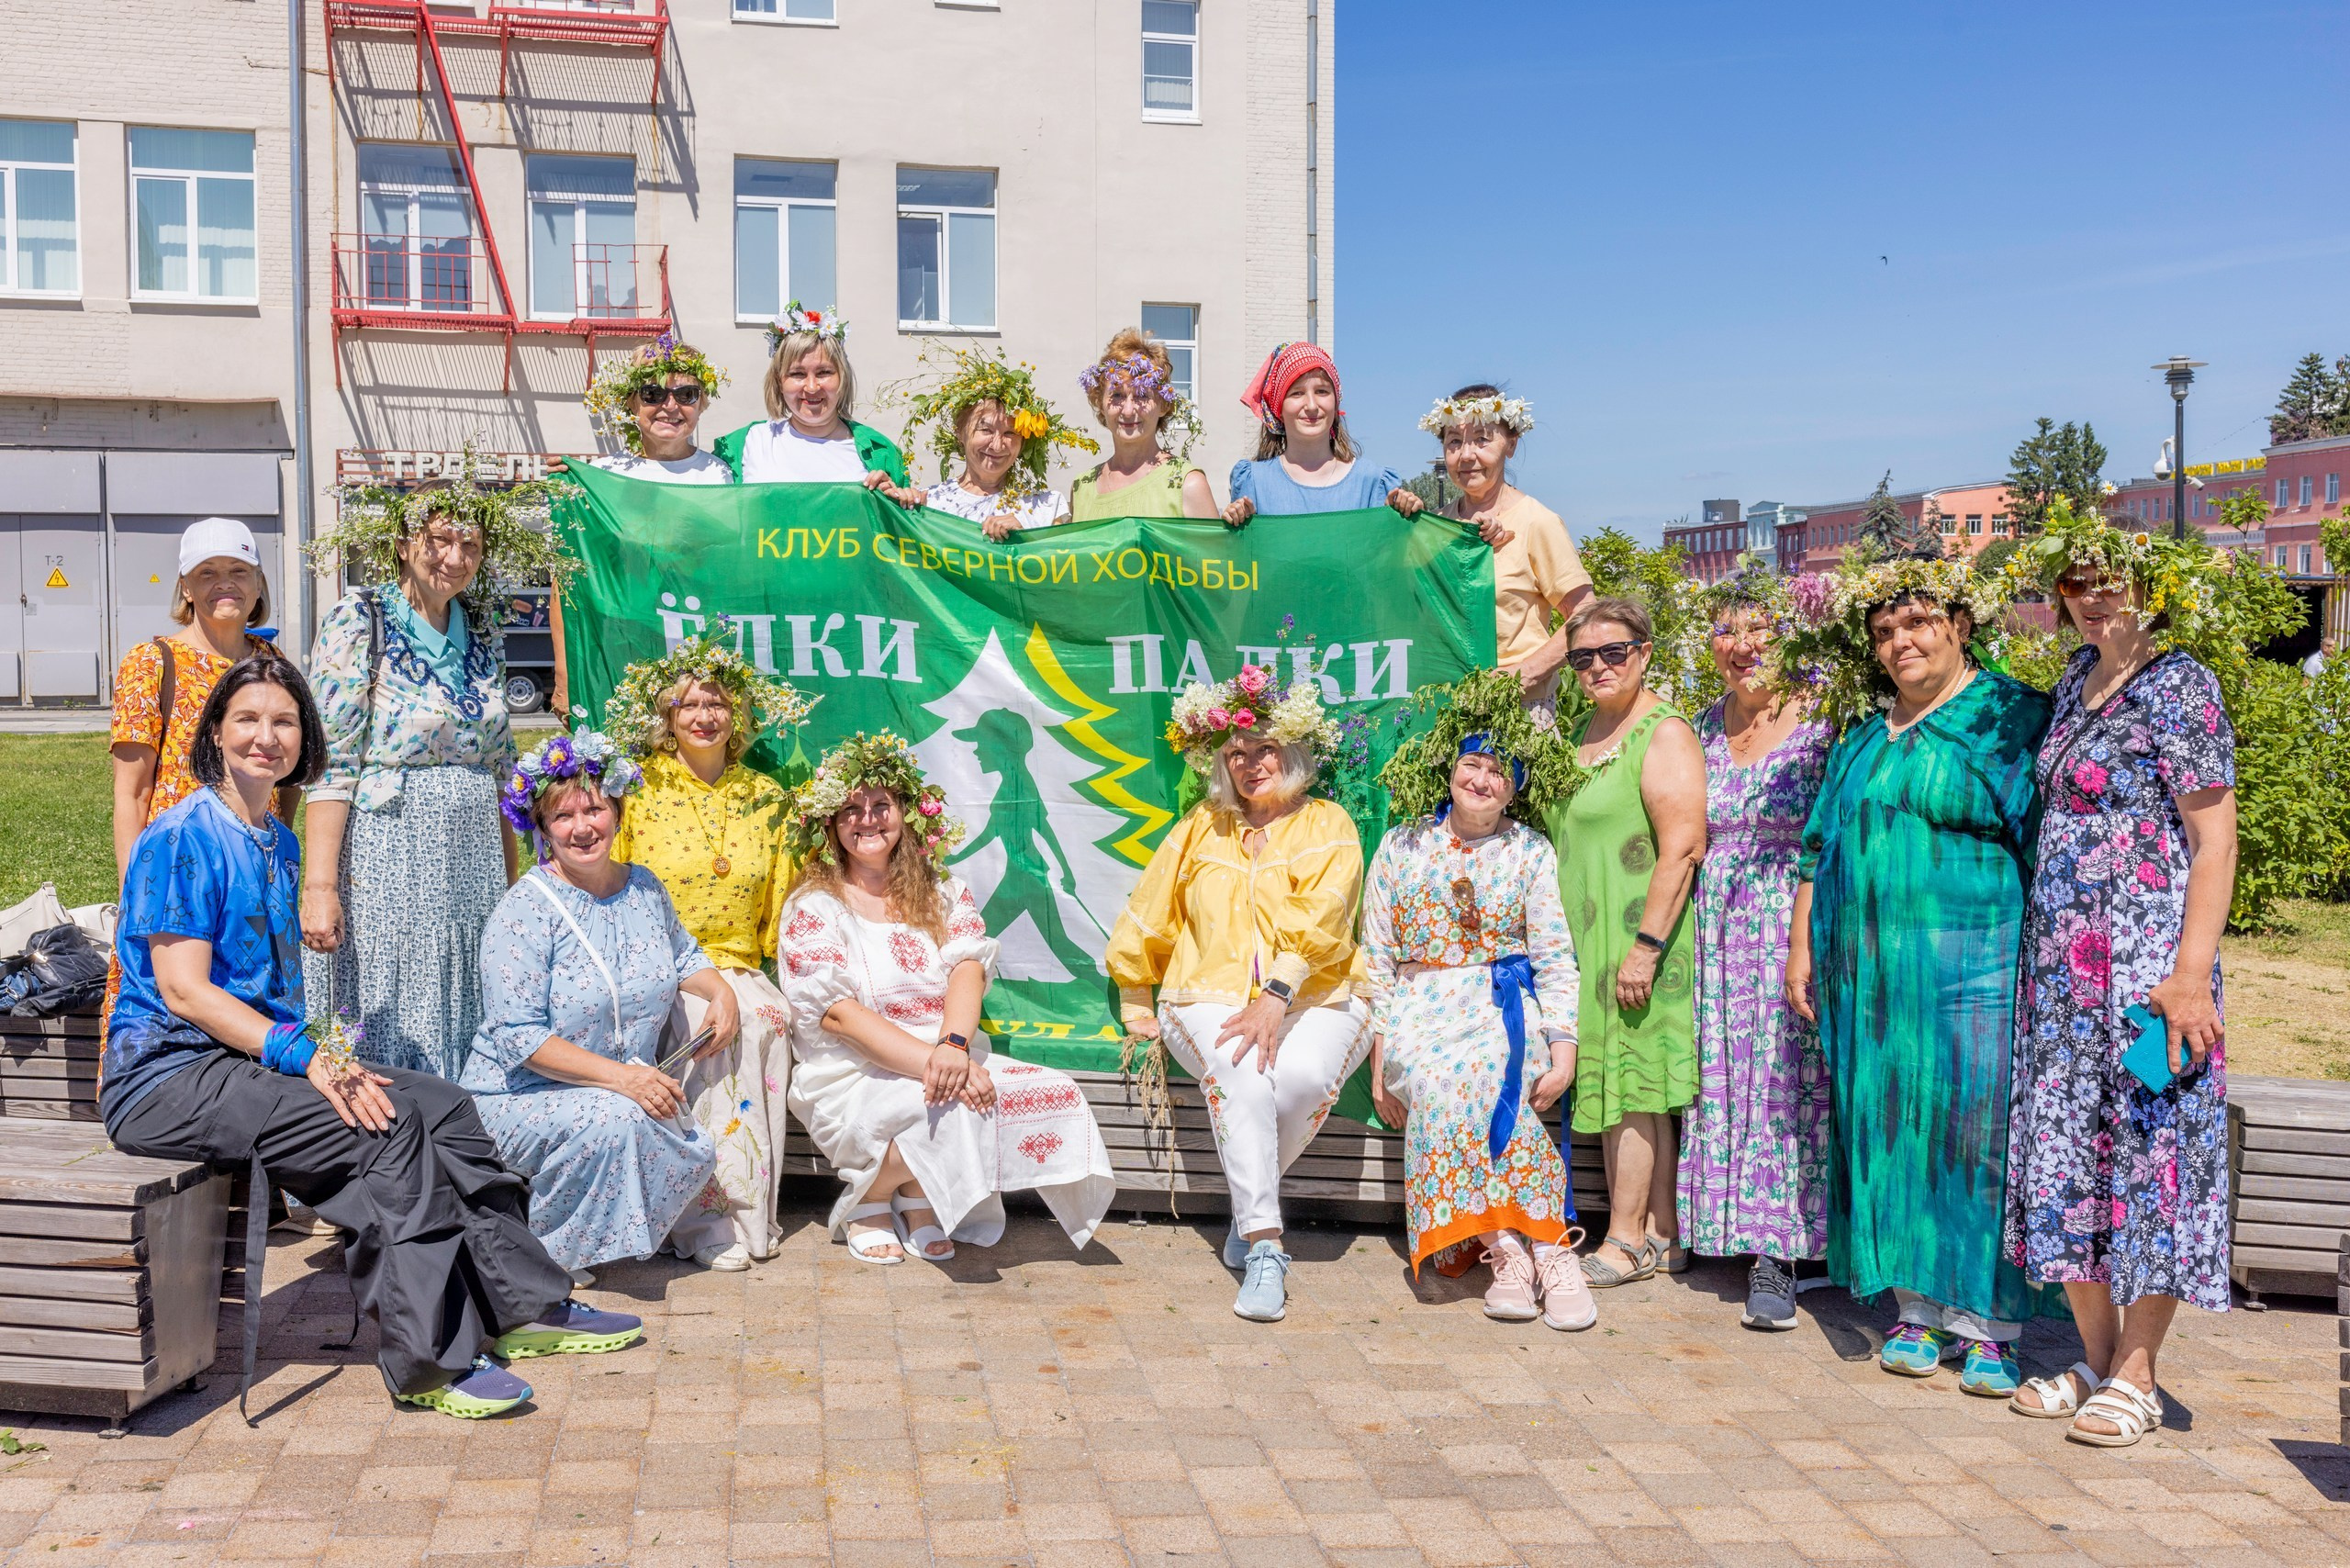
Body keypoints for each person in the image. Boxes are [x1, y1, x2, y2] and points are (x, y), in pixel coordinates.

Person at [105, 655, 640, 1423]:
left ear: (304, 736)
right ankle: (431, 1360)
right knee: (385, 1130)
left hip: (249, 1058)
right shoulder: (182, 836)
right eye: (248, 720)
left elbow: (271, 994)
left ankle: (524, 1305)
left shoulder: (277, 844)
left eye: (284, 721)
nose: (267, 737)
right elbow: (188, 993)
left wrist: (326, 1054)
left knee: (445, 1105)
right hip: (165, 1075)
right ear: (215, 733)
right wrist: (308, 1058)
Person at [1782, 554, 2055, 1398]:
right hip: (1869, 978)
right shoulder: (1865, 736)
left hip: (1976, 969)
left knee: (1974, 1135)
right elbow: (1816, 848)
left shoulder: (2010, 717)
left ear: (1961, 626)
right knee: (1887, 1124)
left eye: (1918, 622)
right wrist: (1801, 948)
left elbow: (2045, 846)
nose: (1901, 641)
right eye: (1885, 630)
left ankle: (1989, 1324)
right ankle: (1914, 1308)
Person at [2003, 514, 2240, 1446]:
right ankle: (2095, 1358)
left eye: (2109, 579)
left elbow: (2212, 840)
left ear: (2151, 585)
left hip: (2146, 969)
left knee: (2151, 1156)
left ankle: (2140, 1373)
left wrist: (2189, 977)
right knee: (2068, 1155)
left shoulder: (2180, 686)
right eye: (2074, 583)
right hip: (2063, 981)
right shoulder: (2074, 680)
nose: (2092, 597)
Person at [778, 733, 1114, 1263]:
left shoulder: (941, 892)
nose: (868, 819)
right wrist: (937, 1065)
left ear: (906, 816)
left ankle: (915, 1193)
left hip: (944, 1049)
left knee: (1055, 1089)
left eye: (882, 806)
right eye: (851, 809)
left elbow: (968, 969)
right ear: (830, 824)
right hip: (853, 1068)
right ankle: (870, 1198)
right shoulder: (814, 905)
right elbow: (839, 1017)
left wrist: (954, 1046)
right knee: (949, 1102)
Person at [1106, 666, 1368, 1322]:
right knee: (1246, 1075)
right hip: (1205, 989)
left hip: (1320, 992)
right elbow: (1150, 909)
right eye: (1237, 754)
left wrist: (1277, 994)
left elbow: (1328, 917)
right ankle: (1264, 1244)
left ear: (1295, 749)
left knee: (1304, 1079)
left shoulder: (1329, 823)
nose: (1252, 764)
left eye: (1264, 748)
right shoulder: (1201, 826)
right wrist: (1137, 997)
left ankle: (1255, 1203)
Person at [301, 470, 569, 1079]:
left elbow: (502, 772)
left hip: (472, 860)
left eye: (469, 545)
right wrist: (319, 887)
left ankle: (463, 1146)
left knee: (470, 1000)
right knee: (395, 1004)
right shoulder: (359, 619)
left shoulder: (482, 630)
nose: (454, 558)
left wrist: (510, 888)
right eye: (439, 540)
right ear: (403, 543)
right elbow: (331, 764)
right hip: (389, 859)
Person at [1363, 668, 1594, 1330]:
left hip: (1500, 1004)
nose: (1483, 780)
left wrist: (1563, 1048)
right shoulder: (1402, 844)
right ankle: (1512, 1250)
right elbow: (1376, 958)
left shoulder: (1528, 850)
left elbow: (1554, 957)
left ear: (1515, 788)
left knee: (1496, 1082)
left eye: (1500, 772)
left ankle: (1548, 1251)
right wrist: (1381, 1064)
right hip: (1418, 1004)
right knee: (1437, 1086)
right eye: (1473, 764)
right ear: (1451, 770)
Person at [464, 730, 734, 1286]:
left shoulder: (643, 887)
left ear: (615, 812)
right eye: (563, 816)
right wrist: (621, 1081)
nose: (583, 827)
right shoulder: (524, 911)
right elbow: (520, 1038)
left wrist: (722, 992)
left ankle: (681, 1223)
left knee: (642, 1112)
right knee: (618, 1116)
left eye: (594, 809)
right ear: (540, 828)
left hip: (614, 1085)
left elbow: (685, 954)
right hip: (517, 1096)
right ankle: (540, 1255)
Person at [604, 628, 811, 1271]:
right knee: (706, 1025)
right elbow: (609, 885)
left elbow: (782, 906)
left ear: (738, 714)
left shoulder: (767, 797)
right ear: (668, 715)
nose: (704, 714)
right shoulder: (636, 788)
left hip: (739, 962)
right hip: (656, 965)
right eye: (690, 703)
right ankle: (702, 1224)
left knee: (767, 1017)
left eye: (717, 701)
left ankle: (754, 1215)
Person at [1678, 563, 1833, 1330]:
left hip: (1792, 920)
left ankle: (1783, 1250)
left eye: (1759, 629)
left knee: (1784, 1080)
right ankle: (1722, 1227)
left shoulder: (1824, 719)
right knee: (1722, 1076)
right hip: (1715, 927)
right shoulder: (1699, 727)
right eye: (1727, 631)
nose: (1744, 646)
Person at [1542, 598, 1706, 1288]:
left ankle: (1625, 1237)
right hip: (1594, 938)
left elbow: (1684, 846)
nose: (1598, 667)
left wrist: (1645, 945)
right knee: (1623, 1083)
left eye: (1614, 652)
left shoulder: (1661, 732)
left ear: (1643, 651)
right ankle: (1661, 1234)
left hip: (1640, 937)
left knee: (1634, 1084)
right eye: (1582, 658)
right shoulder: (1588, 728)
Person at [106, 517, 285, 1019]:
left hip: (252, 878)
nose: (224, 584)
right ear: (185, 585)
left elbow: (286, 780)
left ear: (257, 583)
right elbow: (132, 793)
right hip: (175, 880)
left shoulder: (272, 661)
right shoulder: (152, 662)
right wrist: (136, 896)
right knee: (166, 1014)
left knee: (250, 1017)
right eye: (207, 573)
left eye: (237, 570)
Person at [1419, 387, 1594, 708]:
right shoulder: (1434, 526)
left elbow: (1584, 612)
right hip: (1446, 708)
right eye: (1454, 441)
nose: (1467, 455)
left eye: (1482, 439)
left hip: (1520, 710)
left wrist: (1524, 673)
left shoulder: (1536, 522)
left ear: (1511, 444)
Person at [712, 301, 922, 501]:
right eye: (797, 374)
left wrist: (901, 504)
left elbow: (898, 531)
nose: (812, 387)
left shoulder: (880, 452)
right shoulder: (748, 444)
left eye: (824, 372)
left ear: (843, 377)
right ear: (779, 381)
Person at [898, 344, 1093, 540]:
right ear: (960, 432)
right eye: (985, 430)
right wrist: (887, 505)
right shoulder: (929, 503)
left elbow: (1057, 564)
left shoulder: (1046, 507)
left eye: (1010, 433)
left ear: (1024, 442)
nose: (997, 445)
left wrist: (1027, 537)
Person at [1222, 342, 1411, 523]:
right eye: (1297, 393)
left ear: (1336, 402)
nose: (1312, 406)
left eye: (1322, 391)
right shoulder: (1254, 481)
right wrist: (1234, 529)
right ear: (1279, 407)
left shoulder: (1372, 482)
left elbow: (1388, 552)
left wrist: (1405, 519)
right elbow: (1242, 554)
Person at [1068, 328, 1218, 521]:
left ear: (1163, 404)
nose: (1128, 410)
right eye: (1117, 395)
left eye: (1141, 396)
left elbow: (1215, 551)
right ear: (1100, 402)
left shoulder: (1187, 485)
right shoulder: (1081, 489)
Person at [584, 333, 734, 485]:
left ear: (700, 405)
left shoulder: (719, 475)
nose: (670, 406)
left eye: (686, 394)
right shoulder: (600, 476)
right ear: (631, 403)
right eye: (653, 393)